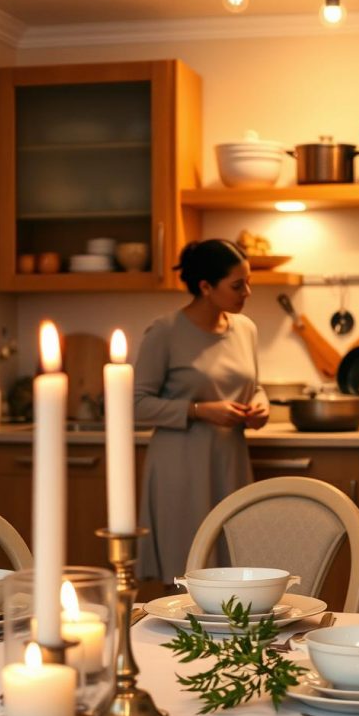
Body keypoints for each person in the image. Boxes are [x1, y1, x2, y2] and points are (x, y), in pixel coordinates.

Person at [134, 238, 269, 583]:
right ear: (206, 287)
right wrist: (199, 410)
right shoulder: (165, 332)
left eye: (248, 282)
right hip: (180, 469)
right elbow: (134, 404)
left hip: (230, 463)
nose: (248, 292)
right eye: (238, 285)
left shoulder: (246, 329)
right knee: (186, 577)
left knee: (236, 572)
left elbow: (255, 387)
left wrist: (260, 405)